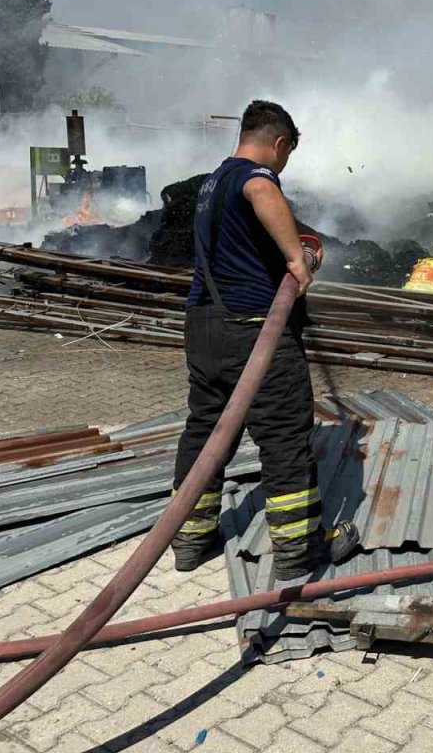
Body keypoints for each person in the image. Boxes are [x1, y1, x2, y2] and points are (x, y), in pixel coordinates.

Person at [171, 99, 359, 580]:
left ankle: (191, 539)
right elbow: (262, 189)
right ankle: (299, 550)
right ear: (279, 143)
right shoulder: (254, 176)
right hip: (253, 330)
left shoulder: (212, 181)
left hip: (204, 328)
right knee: (283, 436)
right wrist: (298, 261)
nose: (283, 164)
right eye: (287, 154)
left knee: (207, 432)